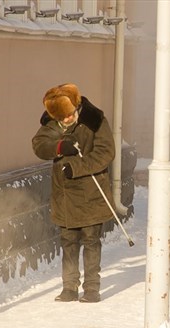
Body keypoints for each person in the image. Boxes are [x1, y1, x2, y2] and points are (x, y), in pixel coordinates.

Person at [32, 83, 115, 303]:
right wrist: (59, 147)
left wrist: (76, 167)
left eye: (69, 115)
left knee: (90, 241)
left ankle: (91, 288)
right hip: (65, 195)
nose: (66, 120)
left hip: (91, 192)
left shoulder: (95, 121)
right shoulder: (52, 123)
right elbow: (39, 145)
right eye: (62, 117)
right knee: (68, 241)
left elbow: (106, 152)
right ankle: (69, 287)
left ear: (76, 106)